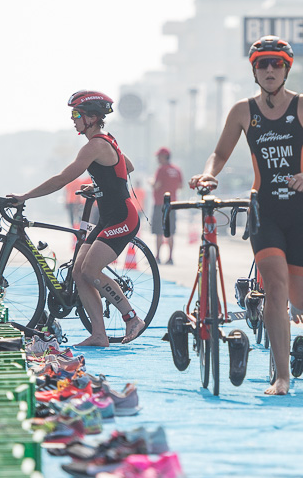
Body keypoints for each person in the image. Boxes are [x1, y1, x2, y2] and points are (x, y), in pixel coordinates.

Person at [191, 37, 303, 396]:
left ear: (287, 68)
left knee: (301, 301)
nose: (270, 70)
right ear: (254, 70)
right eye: (263, 64)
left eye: (277, 64)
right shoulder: (243, 111)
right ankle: (281, 377)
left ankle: (283, 320)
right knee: (275, 285)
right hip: (266, 212)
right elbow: (219, 152)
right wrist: (209, 173)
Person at [11, 90, 144, 346]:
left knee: (91, 270)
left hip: (122, 218)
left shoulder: (95, 145)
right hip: (109, 216)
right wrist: (102, 186)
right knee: (78, 272)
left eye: (76, 114)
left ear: (92, 118)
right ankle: (99, 335)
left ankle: (132, 318)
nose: (72, 119)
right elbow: (126, 166)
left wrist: (25, 195)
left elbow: (63, 179)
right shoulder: (107, 141)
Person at [151, 147, 183, 265]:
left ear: (164, 157)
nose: (157, 159)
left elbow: (157, 186)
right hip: (172, 204)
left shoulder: (161, 170)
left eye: (159, 156)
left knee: (159, 232)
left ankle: (158, 256)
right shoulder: (176, 170)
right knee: (170, 232)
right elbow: (180, 186)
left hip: (160, 204)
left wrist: (151, 182)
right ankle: (170, 257)